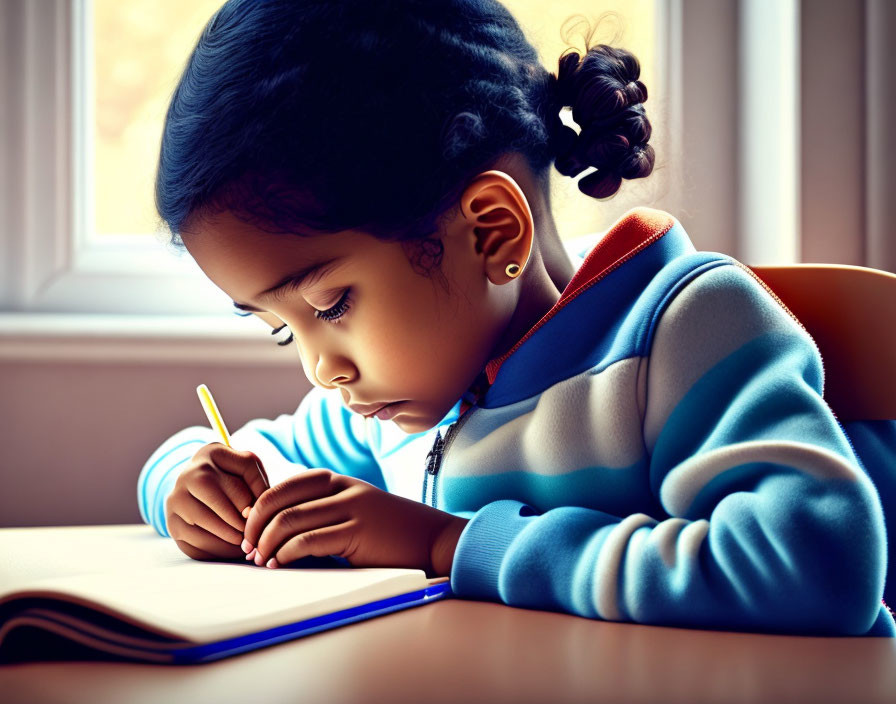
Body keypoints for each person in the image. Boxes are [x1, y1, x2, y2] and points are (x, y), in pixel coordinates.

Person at [138, 0, 895, 636]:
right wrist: (186, 484)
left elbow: (820, 566)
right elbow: (235, 451)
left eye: (332, 305)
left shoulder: (684, 332)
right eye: (279, 326)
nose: (320, 368)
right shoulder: (385, 410)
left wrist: (449, 543)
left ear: (492, 231)